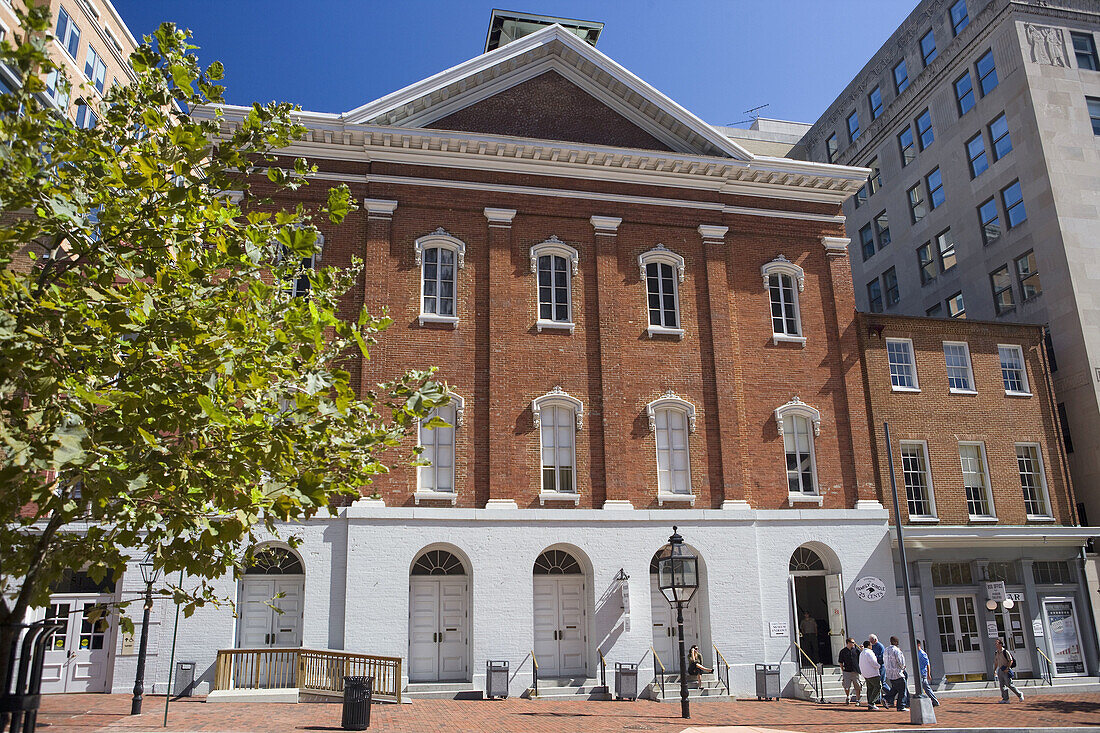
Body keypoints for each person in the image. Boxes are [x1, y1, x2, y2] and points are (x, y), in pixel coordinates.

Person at [882, 636, 910, 711]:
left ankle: (886, 698)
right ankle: (901, 706)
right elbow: (900, 661)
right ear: (896, 642)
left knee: (895, 689)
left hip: (890, 674)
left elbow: (884, 660)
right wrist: (903, 667)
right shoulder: (896, 650)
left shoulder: (886, 650)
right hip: (898, 673)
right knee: (902, 690)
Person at [993, 638, 1024, 703]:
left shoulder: (1005, 652)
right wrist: (995, 670)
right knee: (1002, 685)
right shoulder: (996, 652)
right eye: (995, 643)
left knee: (1009, 684)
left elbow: (1011, 660)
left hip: (1006, 670)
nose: (996, 645)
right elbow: (996, 662)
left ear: (1001, 644)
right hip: (1000, 670)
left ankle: (1019, 694)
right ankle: (1005, 699)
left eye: (997, 643)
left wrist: (1007, 668)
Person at [837, 637, 863, 705]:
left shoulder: (856, 651)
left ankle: (857, 700)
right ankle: (848, 697)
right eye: (852, 642)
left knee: (857, 686)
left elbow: (861, 659)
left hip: (855, 671)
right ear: (848, 643)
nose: (854, 644)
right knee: (846, 686)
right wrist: (843, 670)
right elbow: (840, 662)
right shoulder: (843, 651)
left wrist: (862, 650)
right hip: (847, 671)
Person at [859, 639, 882, 710]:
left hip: (865, 673)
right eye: (871, 645)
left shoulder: (862, 653)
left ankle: (870, 702)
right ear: (869, 646)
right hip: (872, 673)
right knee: (878, 686)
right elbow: (873, 662)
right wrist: (878, 666)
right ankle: (872, 702)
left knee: (870, 688)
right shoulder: (869, 652)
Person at [915, 640, 940, 707]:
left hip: (923, 673)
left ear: (919, 645)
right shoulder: (917, 653)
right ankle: (930, 700)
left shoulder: (922, 654)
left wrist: (928, 674)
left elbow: (927, 664)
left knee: (926, 688)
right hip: (920, 673)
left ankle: (935, 701)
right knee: (923, 688)